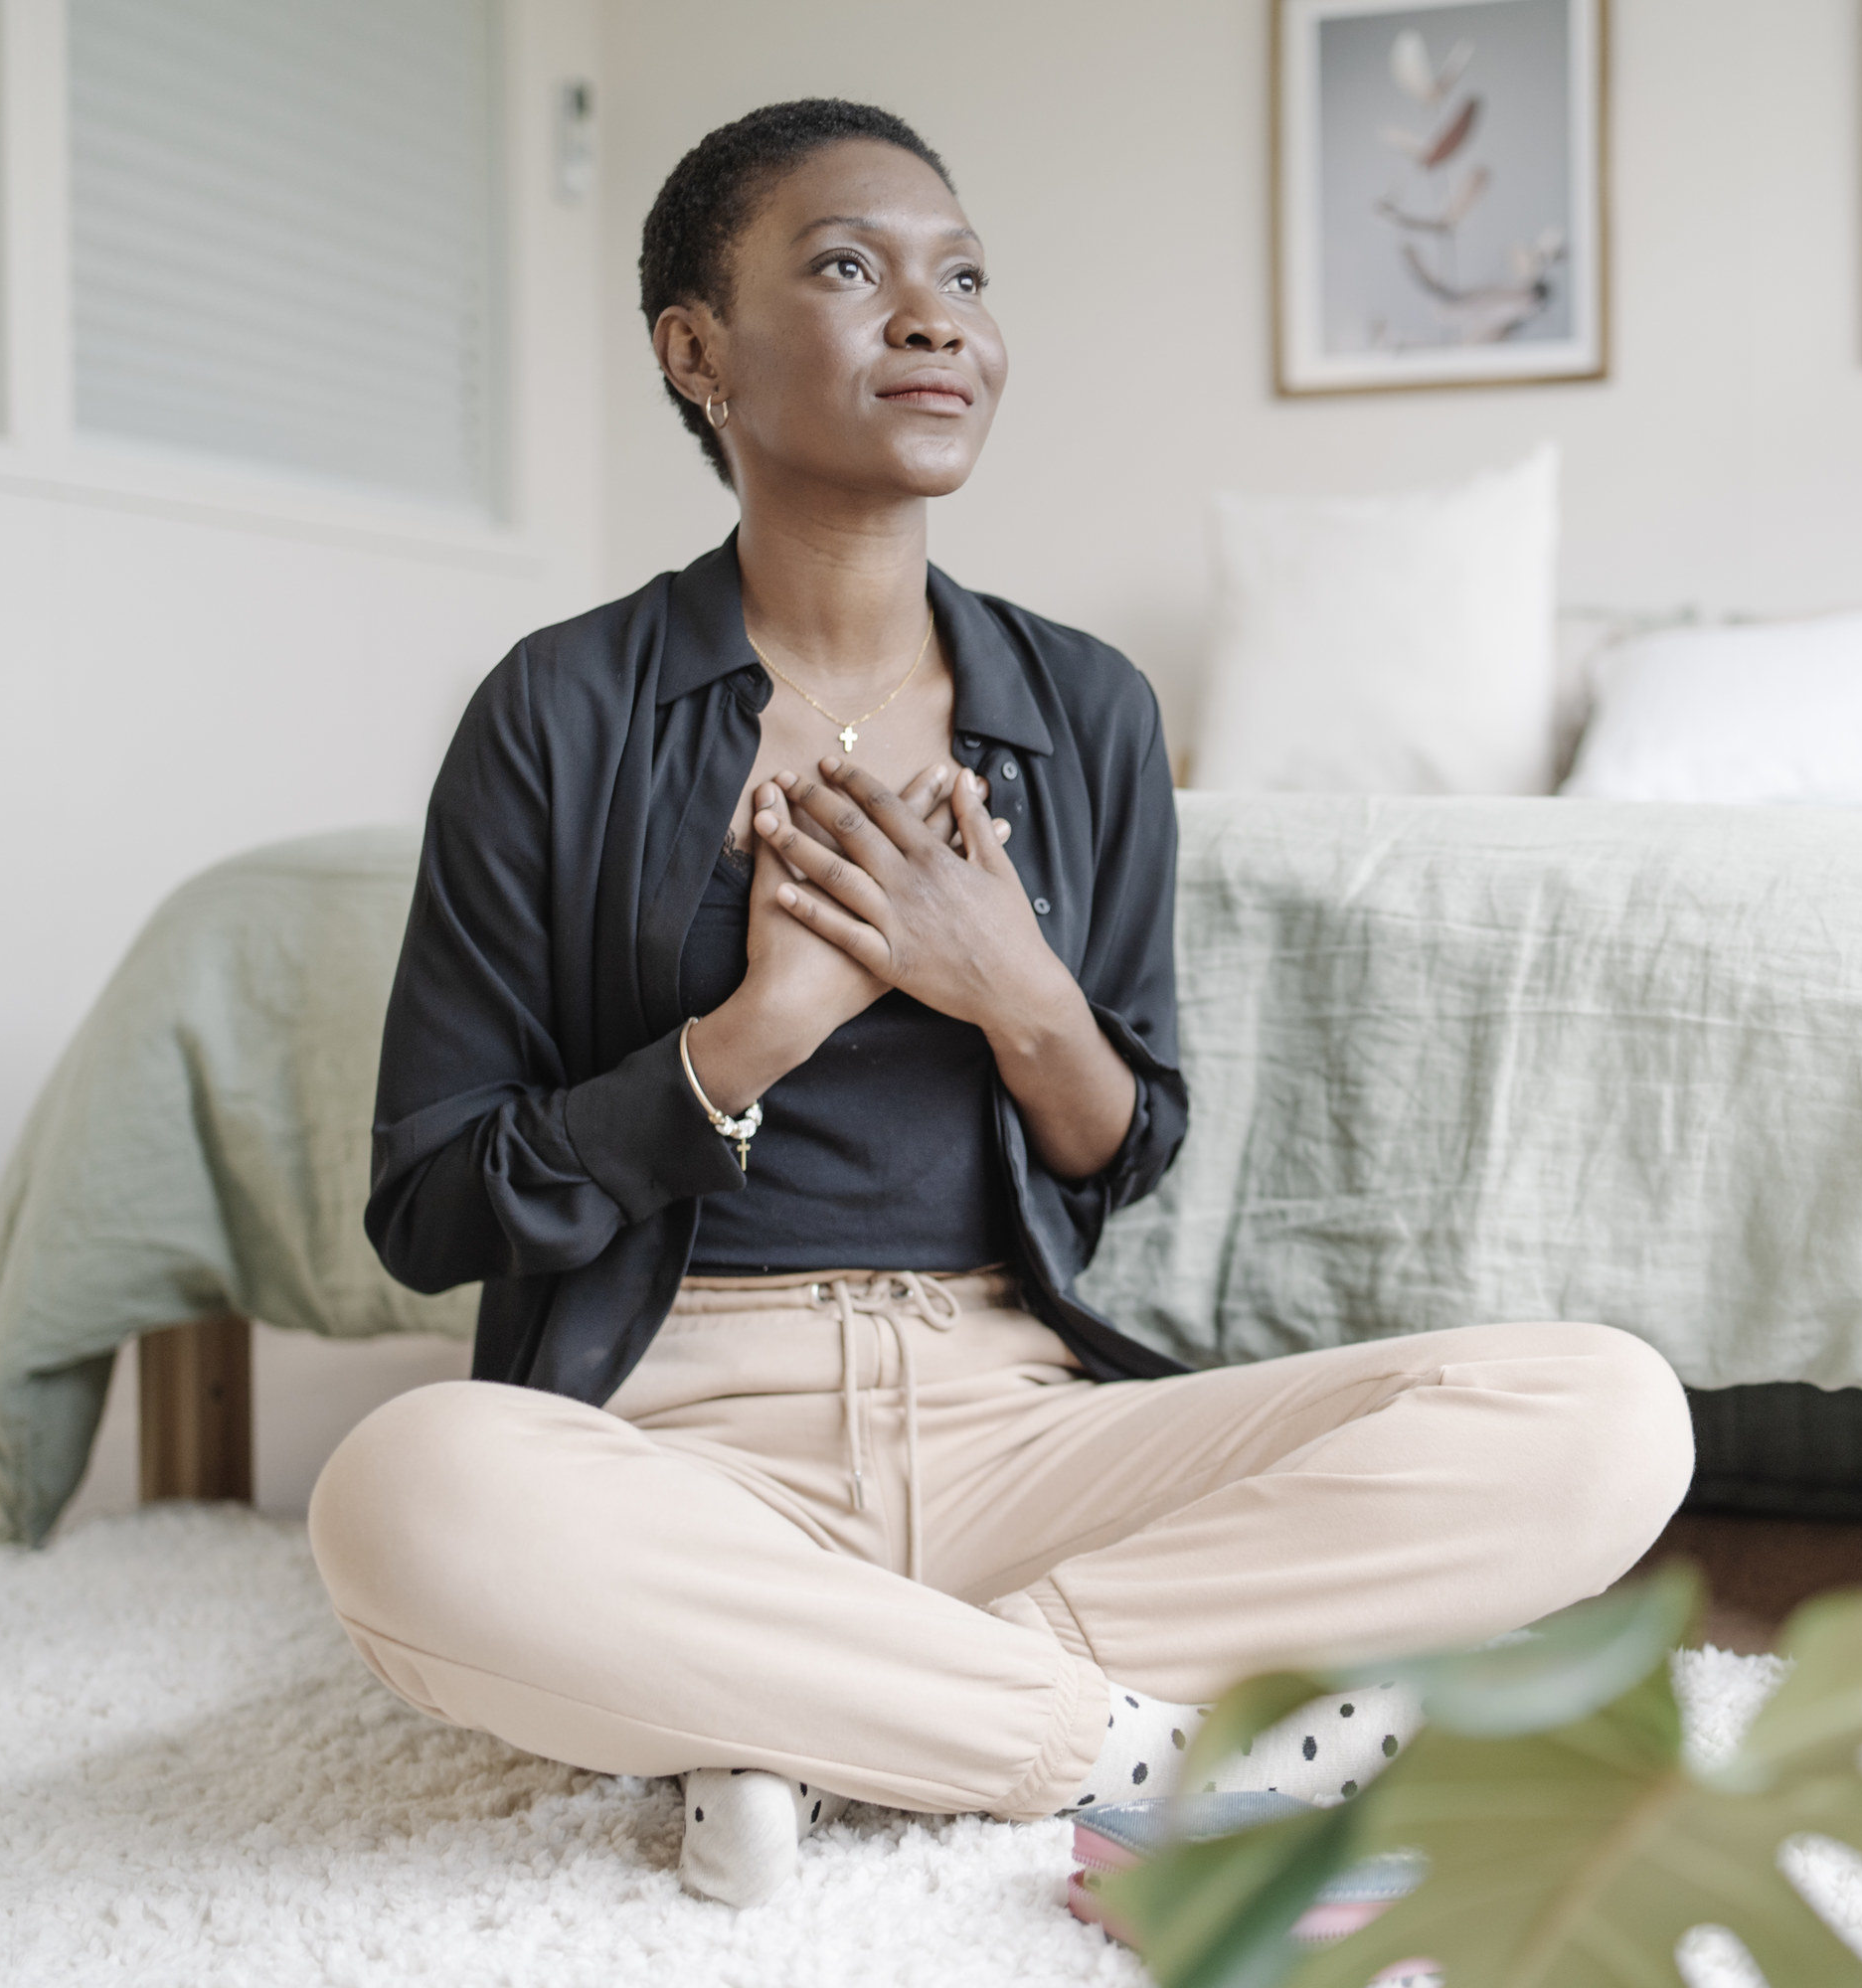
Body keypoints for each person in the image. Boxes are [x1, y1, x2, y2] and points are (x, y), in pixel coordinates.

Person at [307, 98, 1692, 1909]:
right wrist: (756, 1033)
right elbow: (430, 1205)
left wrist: (1016, 986)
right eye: (850, 269)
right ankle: (1140, 1752)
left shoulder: (1090, 709)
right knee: (407, 1494)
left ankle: (817, 1708)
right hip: (679, 1429)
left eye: (961, 275)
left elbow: (1119, 1155)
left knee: (1607, 1414)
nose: (935, 316)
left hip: (1017, 1419)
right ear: (695, 350)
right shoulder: (560, 711)